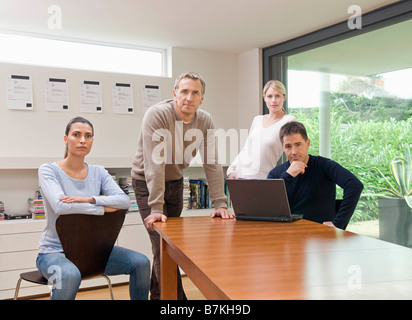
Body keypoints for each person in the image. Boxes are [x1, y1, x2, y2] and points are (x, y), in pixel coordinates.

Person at [131, 71, 235, 300]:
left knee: (171, 246)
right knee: (161, 244)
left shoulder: (205, 120)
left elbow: (212, 161)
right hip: (146, 183)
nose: (189, 97)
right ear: (175, 93)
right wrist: (156, 208)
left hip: (176, 183)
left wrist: (220, 203)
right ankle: (177, 301)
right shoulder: (157, 115)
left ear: (202, 98)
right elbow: (155, 163)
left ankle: (159, 296)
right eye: (184, 91)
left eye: (195, 92)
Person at [37, 116, 150, 300]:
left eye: (88, 136)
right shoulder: (48, 170)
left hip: (93, 251)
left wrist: (88, 199)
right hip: (54, 252)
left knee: (141, 263)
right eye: (76, 135)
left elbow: (124, 202)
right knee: (70, 275)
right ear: (66, 139)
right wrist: (102, 209)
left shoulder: (98, 171)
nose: (83, 140)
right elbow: (60, 206)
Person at [267, 121, 363, 229]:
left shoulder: (324, 165)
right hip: (288, 235)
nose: (293, 151)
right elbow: (269, 207)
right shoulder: (275, 174)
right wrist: (288, 175)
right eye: (288, 146)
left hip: (320, 236)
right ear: (283, 148)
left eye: (298, 145)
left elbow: (354, 185)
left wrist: (338, 223)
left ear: (307, 143)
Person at [227, 80, 296, 179]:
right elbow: (246, 148)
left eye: (277, 96)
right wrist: (231, 169)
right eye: (269, 96)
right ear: (264, 98)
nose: (273, 100)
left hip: (263, 178)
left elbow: (293, 150)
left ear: (284, 97)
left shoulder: (289, 120)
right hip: (239, 176)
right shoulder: (257, 119)